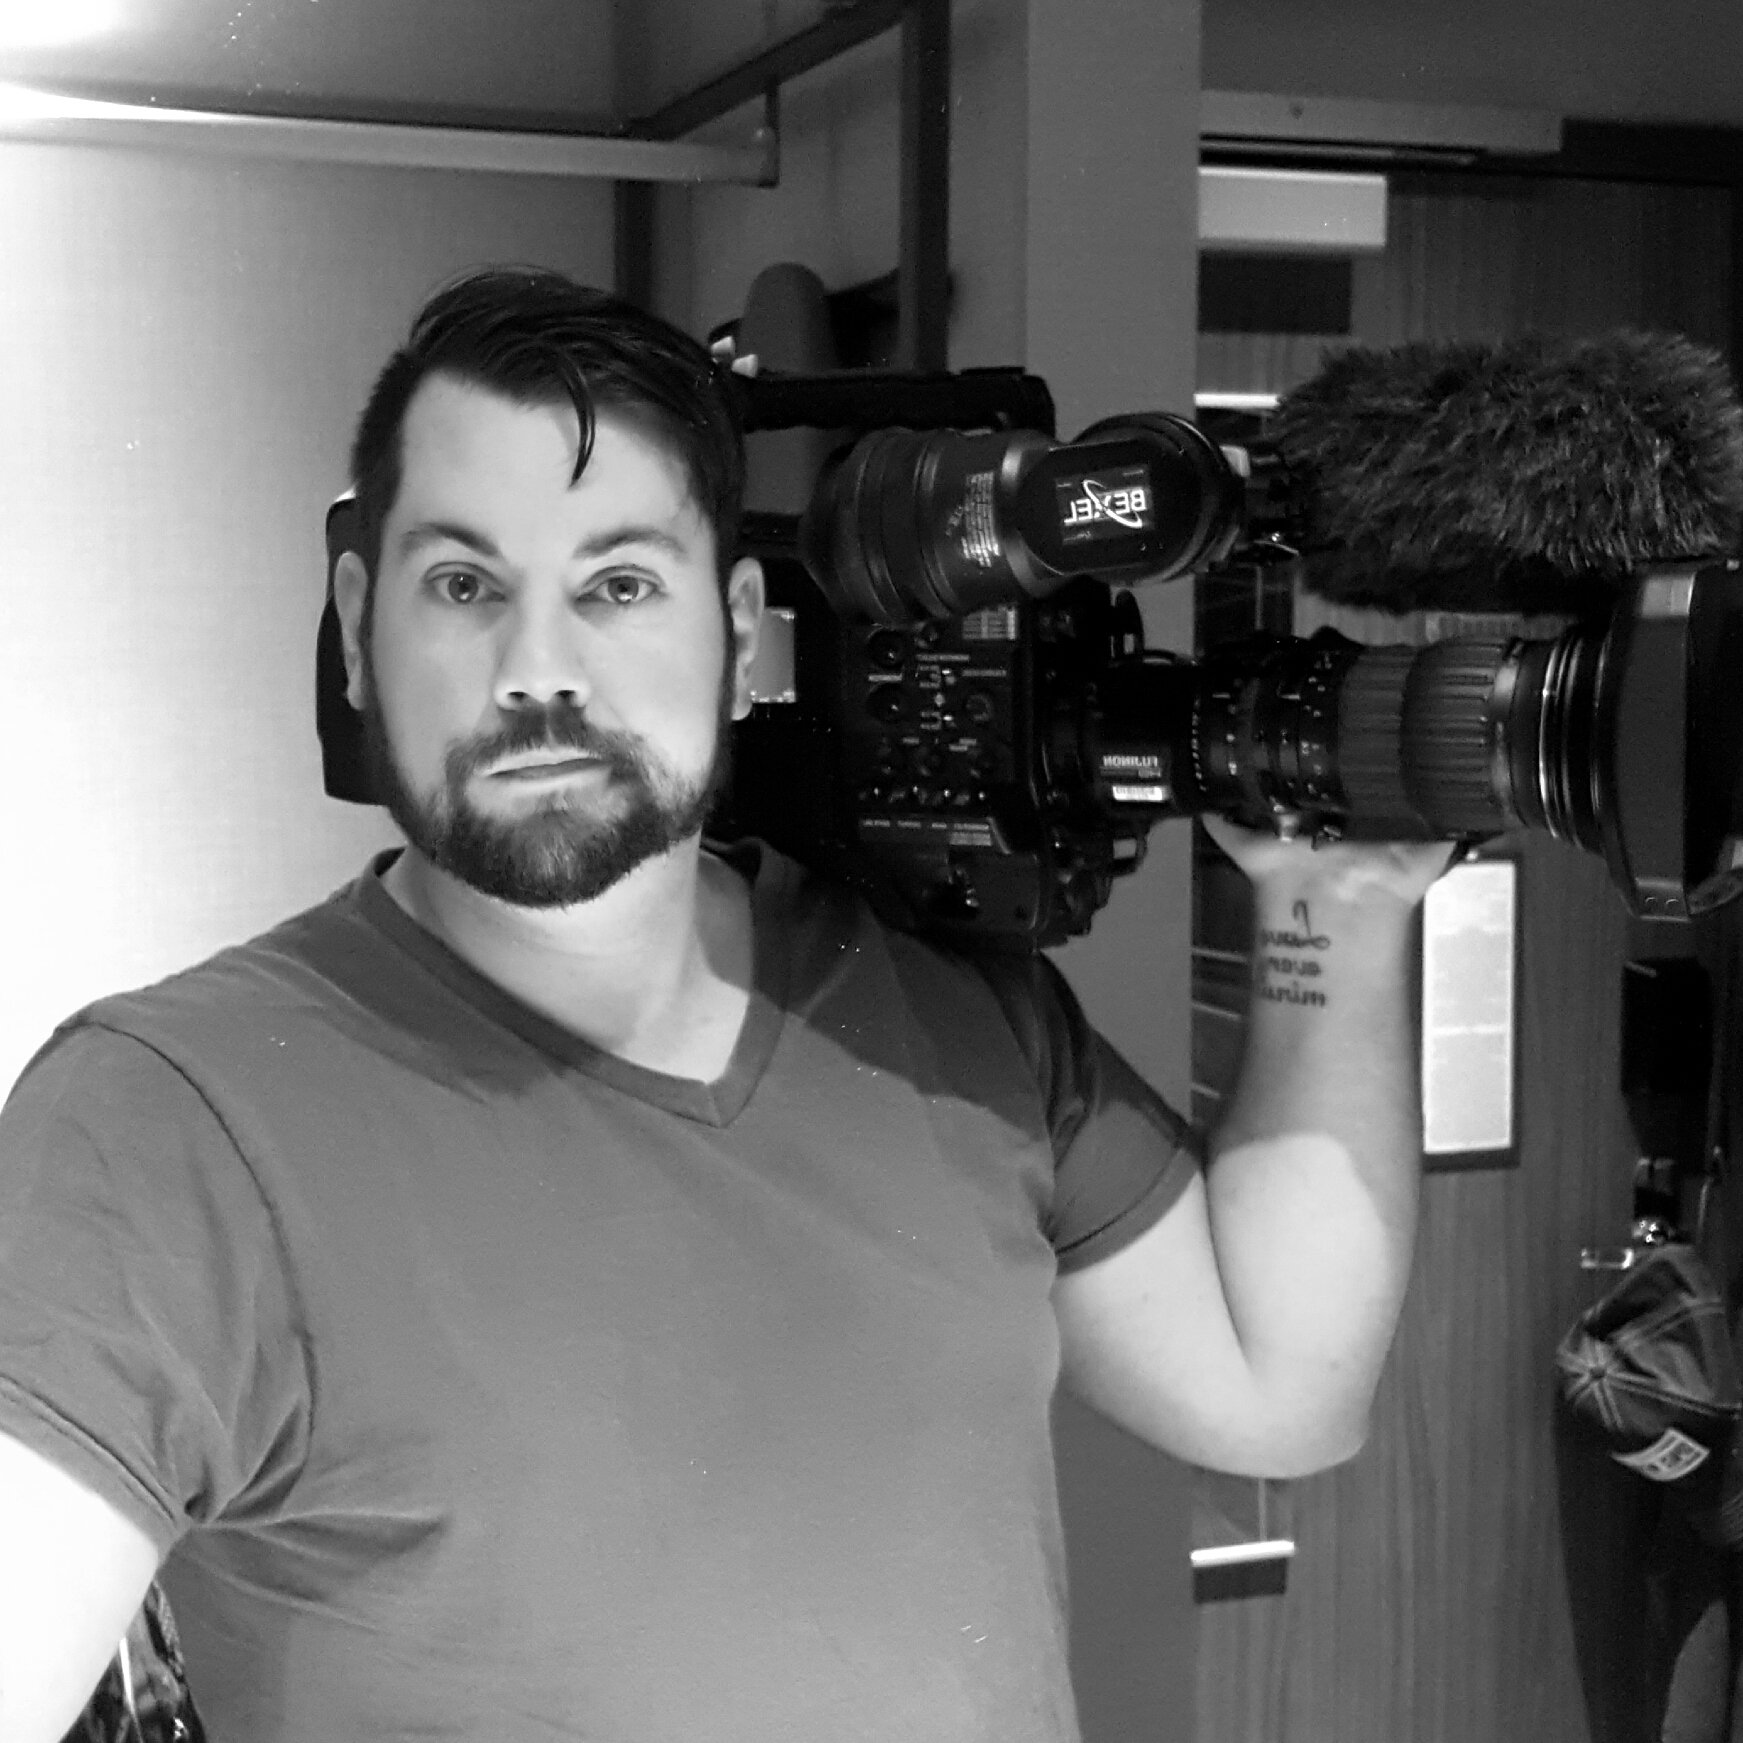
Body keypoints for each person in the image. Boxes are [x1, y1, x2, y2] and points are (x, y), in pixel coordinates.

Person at [0, 267, 1448, 1743]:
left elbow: (1282, 1386)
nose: (537, 670)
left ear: (743, 631)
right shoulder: (168, 1122)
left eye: (619, 584)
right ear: (361, 621)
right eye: (464, 585)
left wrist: (1339, 903)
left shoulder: (945, 1013)